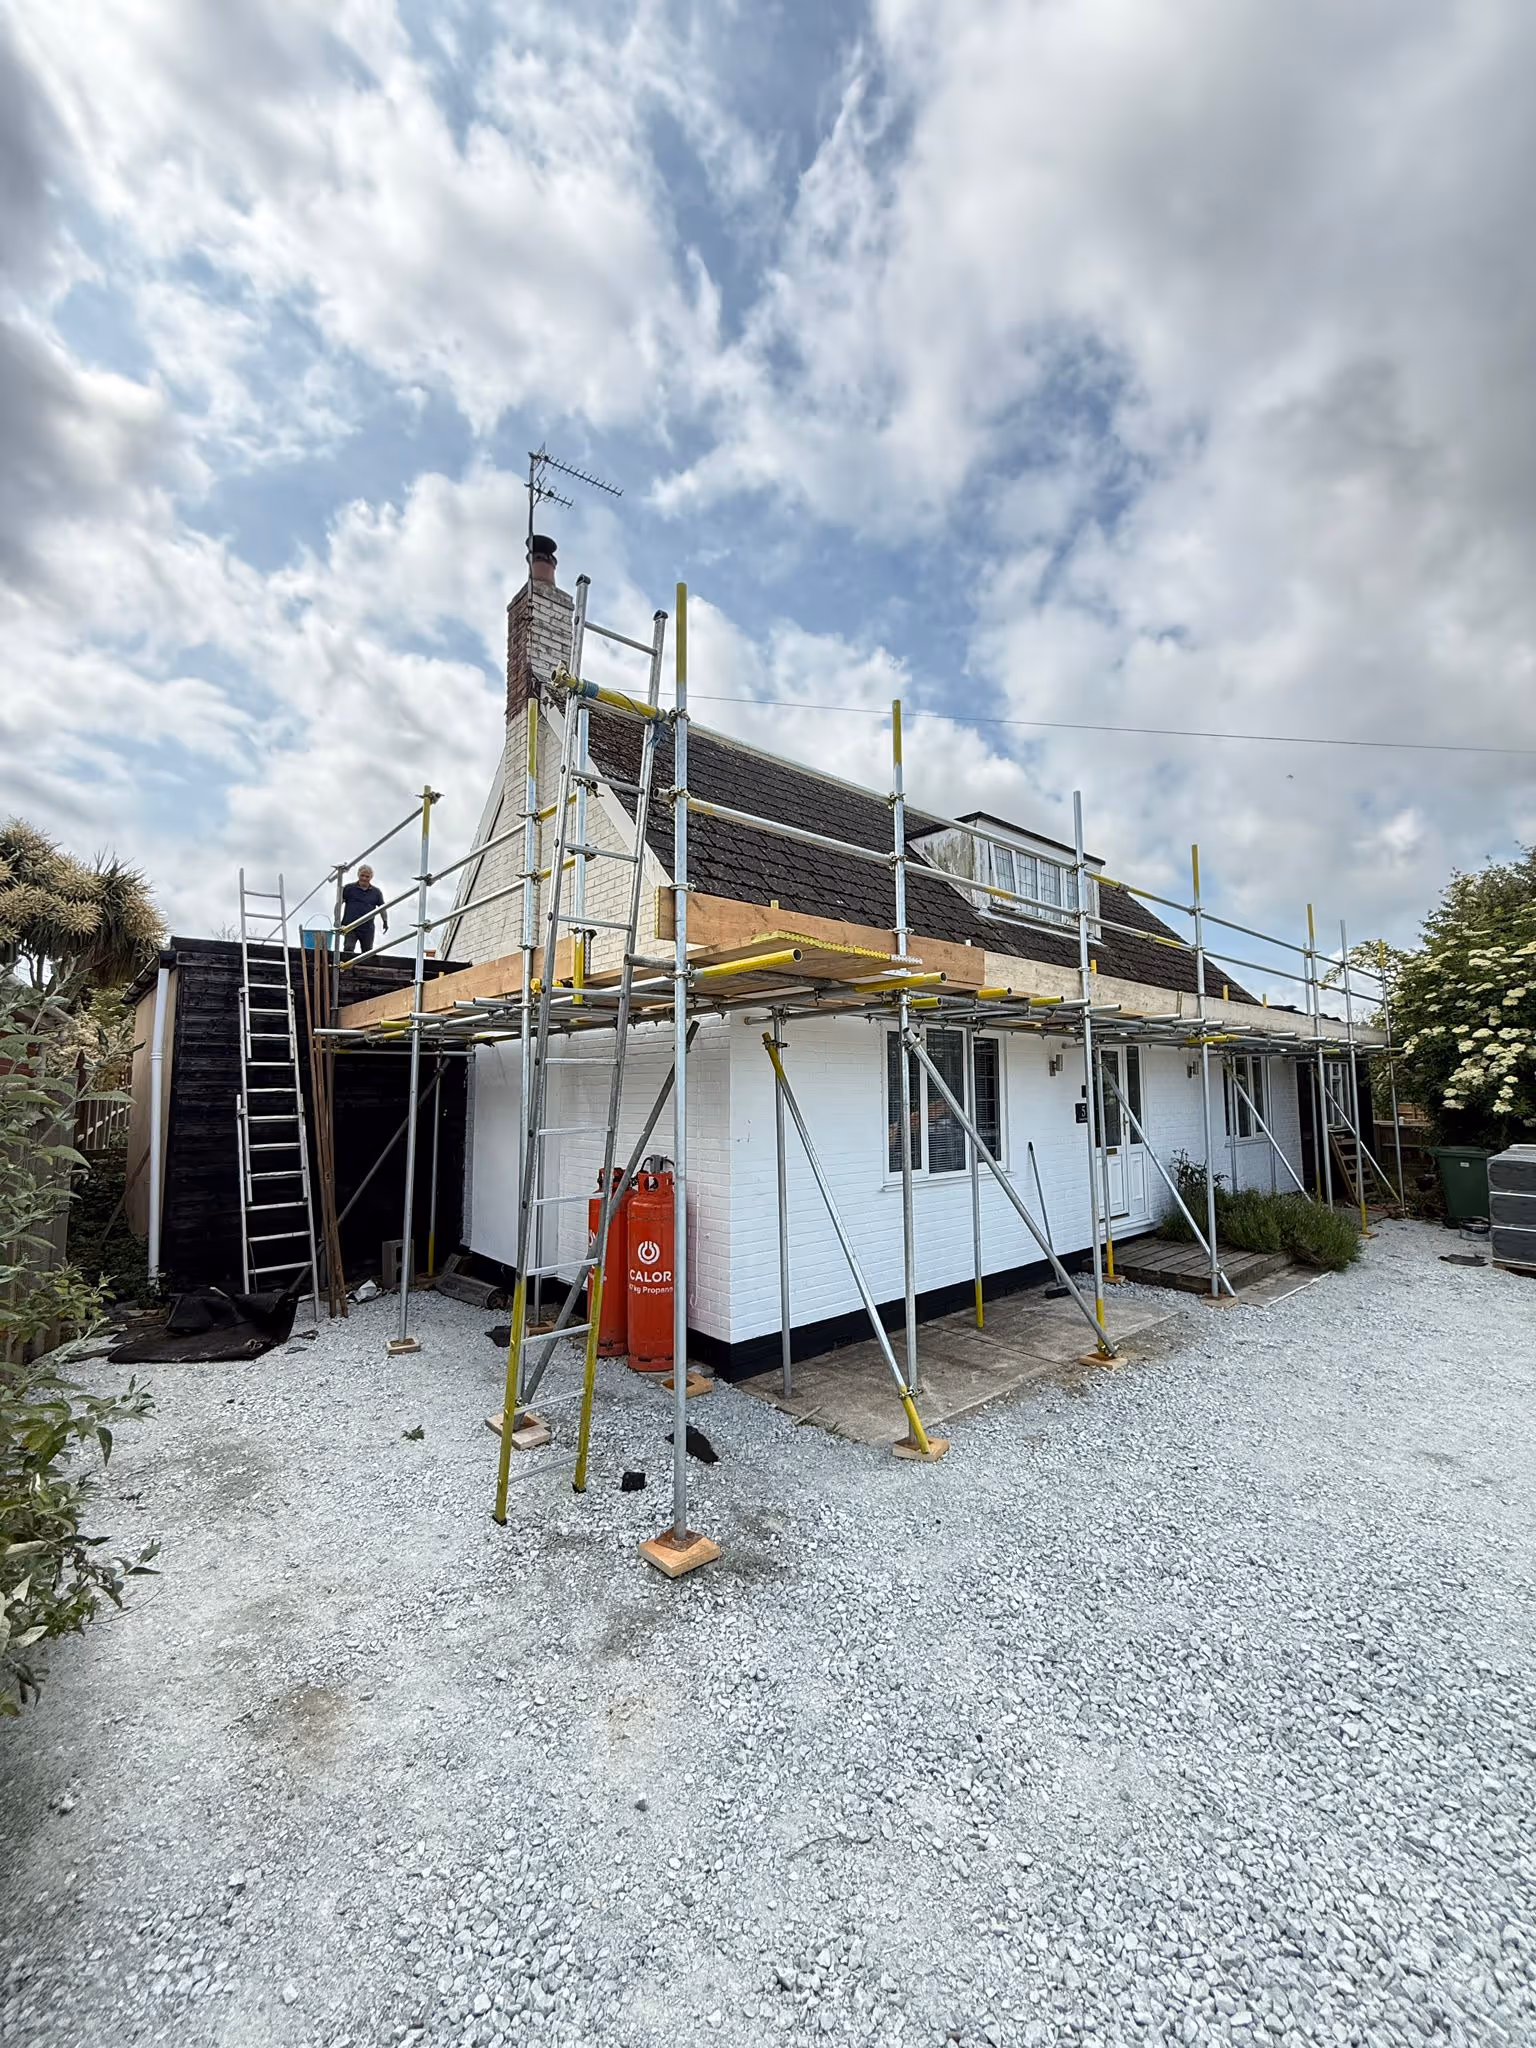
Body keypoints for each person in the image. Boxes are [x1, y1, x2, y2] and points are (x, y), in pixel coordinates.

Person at [339, 865, 387, 957]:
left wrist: (385, 921)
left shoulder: (376, 892)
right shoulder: (348, 888)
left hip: (367, 927)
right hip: (351, 926)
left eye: (367, 876)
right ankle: (347, 966)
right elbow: (338, 904)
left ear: (371, 877)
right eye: (362, 875)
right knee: (348, 949)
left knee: (367, 953)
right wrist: (336, 920)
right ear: (358, 875)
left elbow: (382, 908)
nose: (364, 878)